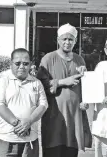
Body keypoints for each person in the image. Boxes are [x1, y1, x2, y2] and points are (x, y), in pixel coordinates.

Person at [36, 23, 90, 157]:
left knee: (71, 150)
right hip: (54, 116)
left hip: (74, 116)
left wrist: (86, 100)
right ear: (58, 40)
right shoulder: (48, 59)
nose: (67, 42)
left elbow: (85, 87)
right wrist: (62, 82)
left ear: (75, 41)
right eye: (64, 39)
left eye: (71, 39)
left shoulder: (79, 60)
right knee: (53, 148)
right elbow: (39, 86)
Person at [0, 48, 48, 157]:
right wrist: (18, 125)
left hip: (30, 140)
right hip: (7, 138)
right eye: (17, 63)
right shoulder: (3, 81)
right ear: (11, 64)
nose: (22, 66)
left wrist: (29, 122)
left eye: (25, 63)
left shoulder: (36, 83)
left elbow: (43, 104)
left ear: (31, 64)